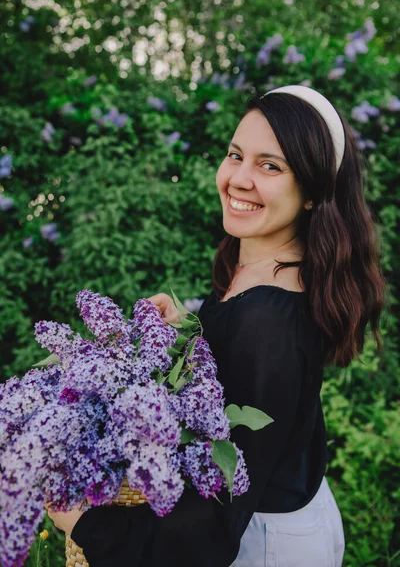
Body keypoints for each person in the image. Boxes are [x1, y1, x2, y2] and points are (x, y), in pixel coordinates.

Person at [46, 85, 387, 566]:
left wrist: (84, 522)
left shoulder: (270, 321)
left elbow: (212, 525)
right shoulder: (265, 267)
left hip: (262, 542)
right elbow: (248, 381)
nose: (238, 179)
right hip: (287, 509)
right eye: (235, 155)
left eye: (270, 166)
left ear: (311, 192)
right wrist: (190, 329)